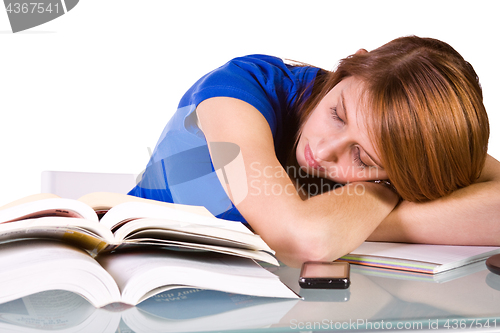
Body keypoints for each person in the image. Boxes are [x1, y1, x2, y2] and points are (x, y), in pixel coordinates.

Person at [129, 36, 500, 267]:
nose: (323, 150)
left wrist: (372, 198)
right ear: (347, 68)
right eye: (337, 114)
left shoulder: (407, 148)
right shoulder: (242, 86)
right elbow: (301, 240)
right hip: (129, 267)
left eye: (364, 158)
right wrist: (384, 192)